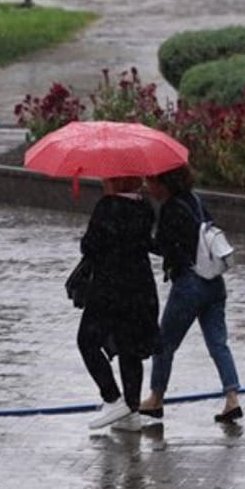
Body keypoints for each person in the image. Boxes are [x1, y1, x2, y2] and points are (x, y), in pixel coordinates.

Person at [139, 166, 243, 423]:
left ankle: (156, 398)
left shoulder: (170, 209)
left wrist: (142, 238)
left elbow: (165, 248)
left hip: (189, 285)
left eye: (150, 181)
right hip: (214, 284)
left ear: (163, 183)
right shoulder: (196, 201)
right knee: (218, 343)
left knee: (164, 344)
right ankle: (232, 399)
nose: (147, 186)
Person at [78, 176, 161, 431]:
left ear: (115, 180)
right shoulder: (144, 206)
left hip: (109, 289)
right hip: (140, 287)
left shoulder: (107, 206)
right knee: (130, 347)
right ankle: (132, 410)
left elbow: (89, 246)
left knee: (87, 341)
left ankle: (112, 398)